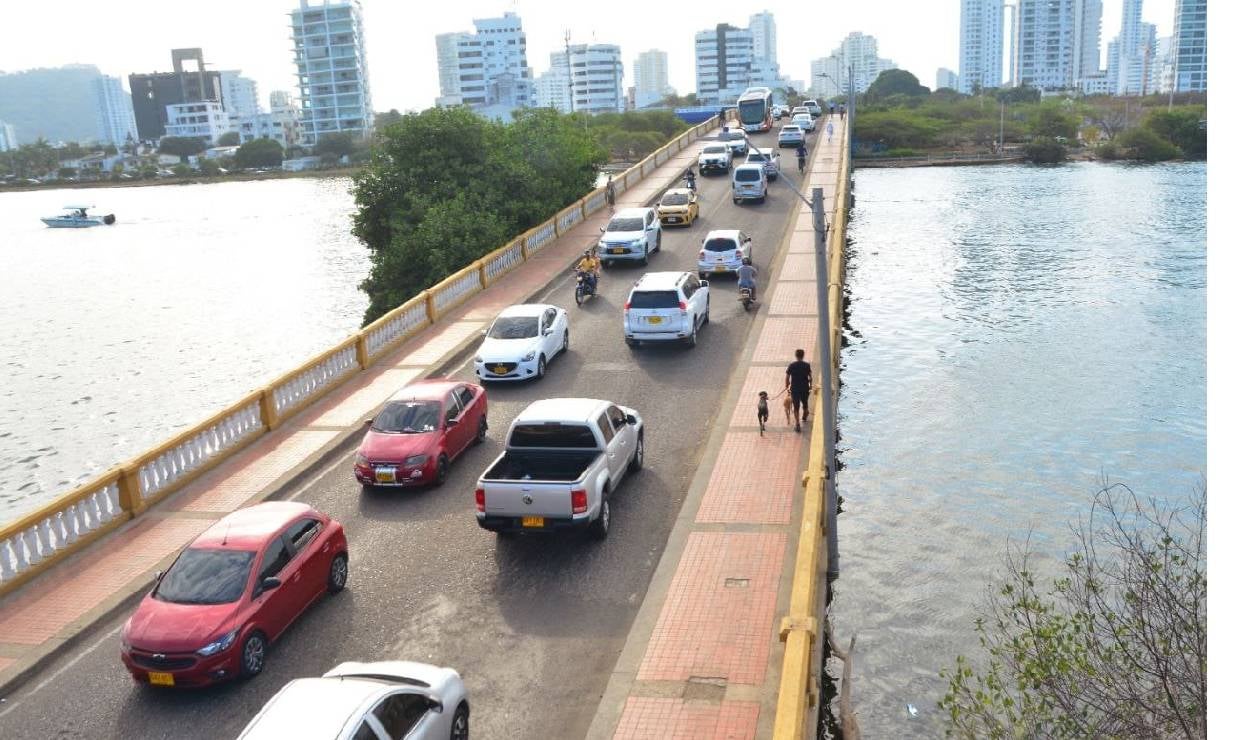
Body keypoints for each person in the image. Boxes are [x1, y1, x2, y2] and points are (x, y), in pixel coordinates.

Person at [784, 348, 812, 432]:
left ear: (796, 356)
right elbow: (810, 377)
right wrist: (811, 386)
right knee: (805, 403)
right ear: (803, 356)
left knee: (796, 407)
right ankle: (805, 415)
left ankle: (797, 424)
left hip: (795, 389)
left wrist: (787, 386)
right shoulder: (807, 365)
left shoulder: (792, 365)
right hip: (805, 388)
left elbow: (787, 377)